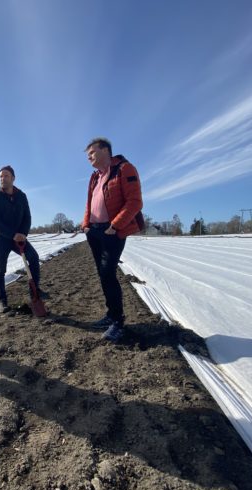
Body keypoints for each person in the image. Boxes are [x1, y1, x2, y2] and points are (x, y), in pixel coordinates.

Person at [82, 137, 143, 342]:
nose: (89, 157)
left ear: (105, 150)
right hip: (95, 231)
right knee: (103, 274)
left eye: (92, 152)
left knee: (108, 272)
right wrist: (86, 225)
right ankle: (110, 315)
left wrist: (115, 226)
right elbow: (89, 204)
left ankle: (118, 322)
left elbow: (135, 202)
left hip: (112, 231)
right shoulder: (94, 177)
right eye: (87, 154)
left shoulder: (124, 169)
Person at [0, 166, 43, 313]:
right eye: (0, 176)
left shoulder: (21, 196)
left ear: (13, 178)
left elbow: (27, 217)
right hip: (2, 239)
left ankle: (34, 292)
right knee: (1, 270)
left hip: (19, 237)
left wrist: (23, 233)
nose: (2, 178)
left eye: (6, 176)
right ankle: (2, 301)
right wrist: (13, 234)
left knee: (34, 257)